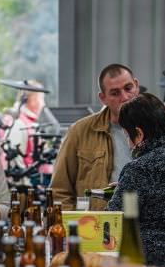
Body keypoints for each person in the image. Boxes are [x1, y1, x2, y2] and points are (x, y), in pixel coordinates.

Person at [106, 93, 165, 267]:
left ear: (139, 134)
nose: (129, 143)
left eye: (128, 136)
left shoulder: (138, 170)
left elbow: (113, 224)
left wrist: (123, 192)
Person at [51, 64, 139, 210]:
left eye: (128, 88)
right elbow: (59, 191)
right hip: (95, 226)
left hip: (146, 226)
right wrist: (77, 227)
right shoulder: (80, 131)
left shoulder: (157, 128)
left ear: (136, 85)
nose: (124, 97)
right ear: (103, 98)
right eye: (115, 93)